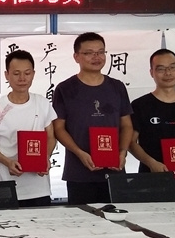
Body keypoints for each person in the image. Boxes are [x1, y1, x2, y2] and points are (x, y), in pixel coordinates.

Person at [52, 32, 133, 204]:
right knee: (82, 219)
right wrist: (79, 153)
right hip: (79, 173)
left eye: (101, 52)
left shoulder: (117, 87)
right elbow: (58, 128)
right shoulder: (65, 89)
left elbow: (126, 125)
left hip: (114, 170)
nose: (96, 57)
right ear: (76, 57)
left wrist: (122, 152)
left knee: (118, 218)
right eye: (89, 53)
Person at [0, 50, 56, 207]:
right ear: (7, 75)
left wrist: (45, 157)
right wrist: (8, 162)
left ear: (33, 74)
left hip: (40, 188)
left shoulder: (42, 103)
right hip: (8, 187)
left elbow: (50, 136)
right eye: (16, 73)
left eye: (27, 73)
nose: (22, 78)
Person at [129, 49, 175, 201]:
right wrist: (152, 163)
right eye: (161, 69)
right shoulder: (140, 105)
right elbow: (131, 142)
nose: (168, 73)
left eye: (172, 67)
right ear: (151, 72)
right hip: (152, 183)